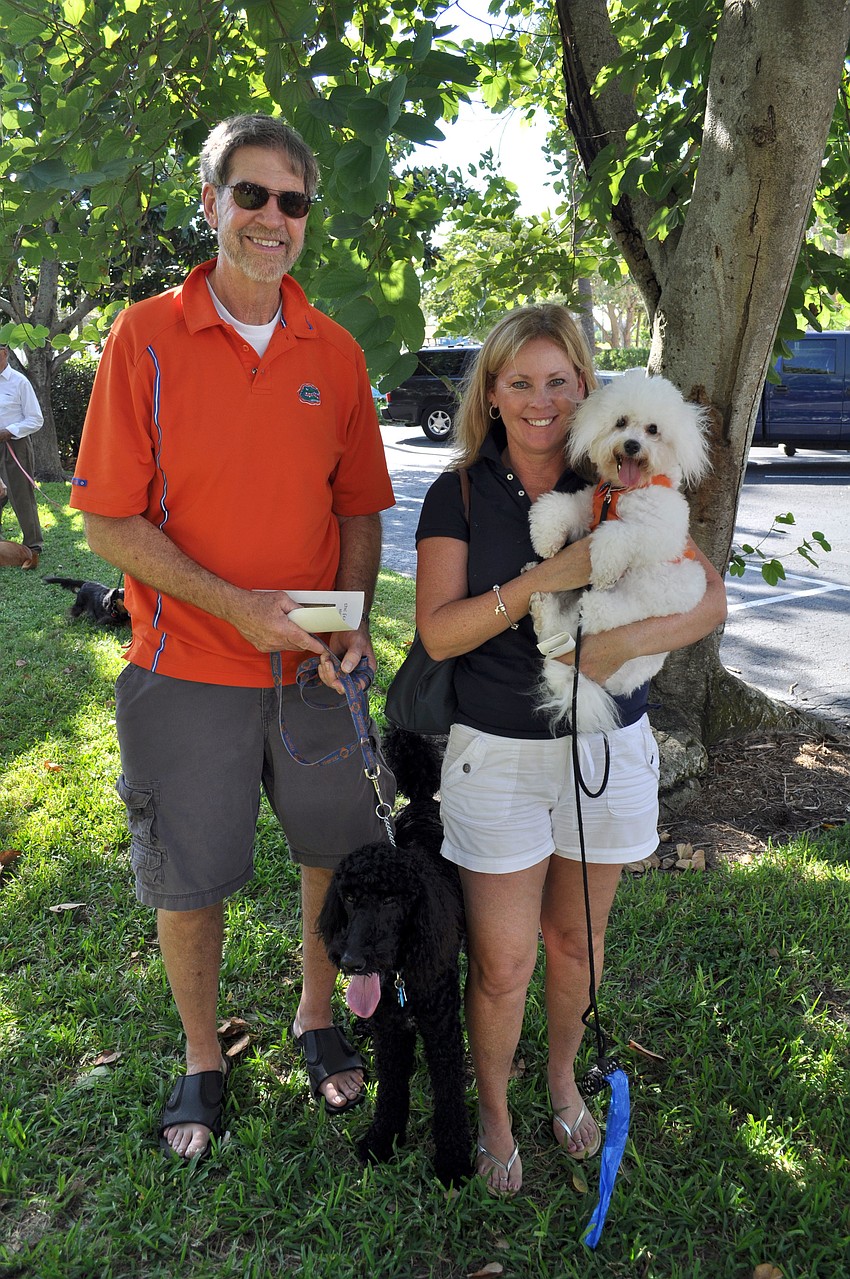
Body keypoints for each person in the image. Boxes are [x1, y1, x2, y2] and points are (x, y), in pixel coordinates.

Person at [70, 114, 397, 1160]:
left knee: (331, 861)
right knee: (189, 876)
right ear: (209, 204)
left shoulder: (333, 351)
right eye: (249, 195)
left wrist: (347, 623)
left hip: (313, 675)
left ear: (307, 221)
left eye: (290, 202)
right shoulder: (144, 338)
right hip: (182, 671)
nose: (270, 218)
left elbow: (358, 507)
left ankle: (315, 1016)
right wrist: (235, 605)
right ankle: (203, 1055)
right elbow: (108, 518)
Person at [414, 305, 727, 1193]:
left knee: (576, 946)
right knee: (505, 960)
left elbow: (709, 603)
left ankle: (559, 1079)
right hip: (498, 753)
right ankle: (495, 1111)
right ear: (493, 392)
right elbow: (438, 634)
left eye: (559, 380)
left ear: (587, 388)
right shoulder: (462, 492)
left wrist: (614, 648)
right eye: (520, 381)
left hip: (606, 747)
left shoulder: (630, 485)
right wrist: (545, 580)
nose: (541, 399)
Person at [0, 343, 44, 567]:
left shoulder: (19, 382)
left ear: (4, 353)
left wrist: (10, 432)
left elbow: (36, 419)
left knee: (20, 495)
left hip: (13, 446)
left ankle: (33, 544)